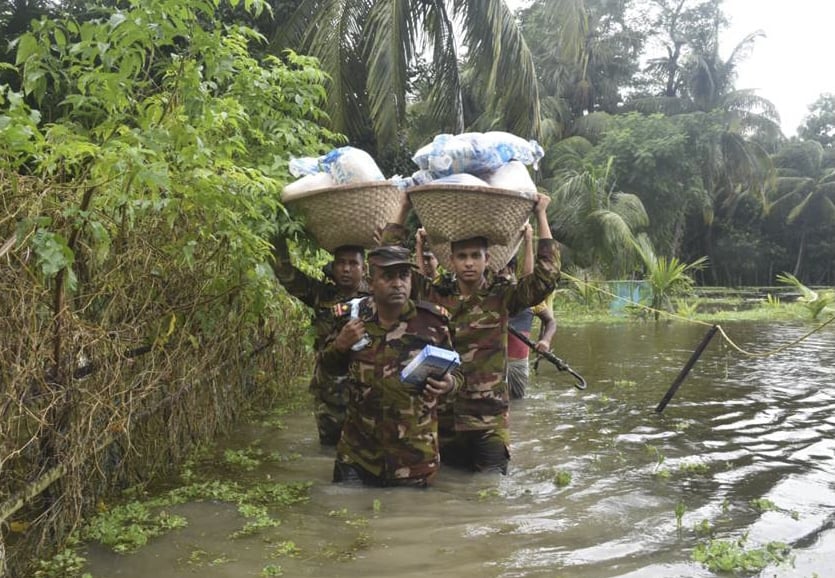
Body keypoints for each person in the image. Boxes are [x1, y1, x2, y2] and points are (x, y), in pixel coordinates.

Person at [383, 192, 560, 474]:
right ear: (451, 261)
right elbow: (389, 262)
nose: (468, 263)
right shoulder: (433, 295)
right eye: (462, 257)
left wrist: (541, 215)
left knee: (491, 493)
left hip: (488, 421)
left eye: (475, 256)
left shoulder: (502, 297)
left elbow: (545, 278)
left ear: (486, 259)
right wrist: (404, 206)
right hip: (443, 420)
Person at [321, 245, 461, 487]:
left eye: (403, 276)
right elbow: (327, 369)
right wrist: (340, 345)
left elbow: (457, 373)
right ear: (370, 281)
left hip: (413, 458)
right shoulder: (351, 318)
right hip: (357, 456)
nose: (398, 283)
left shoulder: (433, 323)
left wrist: (448, 384)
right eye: (388, 276)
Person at [270, 237, 369, 446]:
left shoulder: (377, 298)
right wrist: (276, 234)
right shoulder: (320, 294)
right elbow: (287, 275)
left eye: (353, 264)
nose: (346, 269)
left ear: (364, 268)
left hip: (368, 392)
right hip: (330, 392)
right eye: (341, 263)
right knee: (329, 449)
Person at [499, 225, 557, 400]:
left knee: (517, 404)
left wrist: (545, 341)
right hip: (491, 363)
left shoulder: (527, 298)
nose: (499, 274)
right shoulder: (491, 295)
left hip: (517, 362)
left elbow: (551, 322)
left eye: (502, 270)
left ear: (510, 270)